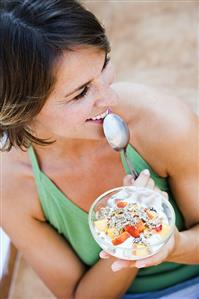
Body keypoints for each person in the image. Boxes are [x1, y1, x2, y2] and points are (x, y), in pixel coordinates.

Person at [0, 1, 199, 298]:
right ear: (21, 111)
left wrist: (169, 244)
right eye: (80, 93)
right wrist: (131, 241)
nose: (110, 96)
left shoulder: (163, 121)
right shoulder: (11, 184)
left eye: (104, 64)